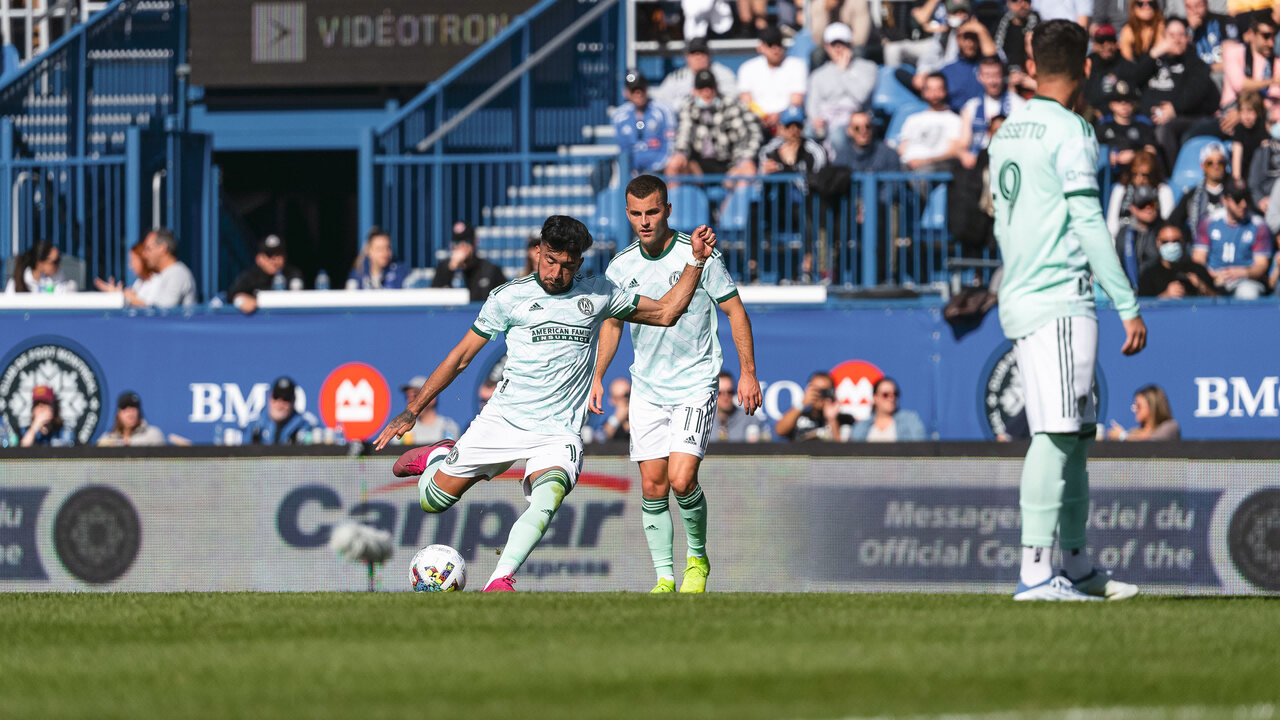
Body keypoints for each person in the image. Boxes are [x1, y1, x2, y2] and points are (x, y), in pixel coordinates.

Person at [375, 214, 719, 593]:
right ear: (538, 251)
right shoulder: (509, 298)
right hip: (503, 421)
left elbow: (668, 312)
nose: (556, 272)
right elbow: (460, 358)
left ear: (580, 264)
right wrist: (413, 410)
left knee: (548, 495)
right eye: (550, 260)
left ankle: (499, 580)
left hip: (558, 431)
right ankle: (439, 456)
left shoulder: (599, 293)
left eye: (567, 266)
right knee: (432, 501)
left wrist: (696, 261)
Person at [988, 19, 1147, 601]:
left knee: (1076, 435)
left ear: (1032, 65)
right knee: (1056, 436)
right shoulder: (1072, 131)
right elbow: (1088, 220)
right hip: (1059, 297)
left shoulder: (1006, 131)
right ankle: (1034, 573)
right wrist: (1126, 302)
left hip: (1024, 292)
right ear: (1085, 68)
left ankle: (1077, 567)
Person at [590, 174, 762, 594]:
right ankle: (665, 578)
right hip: (646, 387)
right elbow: (612, 323)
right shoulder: (621, 267)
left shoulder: (699, 255)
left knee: (681, 480)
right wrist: (597, 376)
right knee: (652, 484)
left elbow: (735, 311)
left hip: (694, 382)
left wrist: (748, 371)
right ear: (627, 214)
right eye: (636, 213)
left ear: (667, 210)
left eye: (652, 212)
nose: (645, 221)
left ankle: (697, 559)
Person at [1134, 18, 1220, 170]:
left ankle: (1173, 176)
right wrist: (1153, 54)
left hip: (1183, 119)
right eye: (1172, 35)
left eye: (1181, 35)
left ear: (1187, 38)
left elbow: (1197, 90)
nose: (1177, 40)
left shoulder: (1194, 62)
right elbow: (1132, 81)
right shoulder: (1152, 61)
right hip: (1148, 119)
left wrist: (1175, 108)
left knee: (1165, 130)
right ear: (1163, 37)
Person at [665, 70, 762, 180]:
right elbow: (683, 133)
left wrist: (743, 159)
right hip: (698, 166)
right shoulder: (688, 107)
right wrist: (681, 153)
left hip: (729, 164)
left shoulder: (731, 104)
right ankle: (672, 197)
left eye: (710, 87)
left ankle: (734, 197)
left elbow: (751, 133)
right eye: (702, 88)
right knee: (674, 164)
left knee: (748, 168)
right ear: (694, 90)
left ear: (716, 88)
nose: (707, 92)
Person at [805, 22, 877, 163]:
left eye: (842, 44)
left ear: (850, 44)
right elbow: (812, 103)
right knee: (807, 131)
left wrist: (843, 71)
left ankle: (841, 171)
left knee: (838, 136)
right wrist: (816, 119)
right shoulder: (818, 75)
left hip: (854, 119)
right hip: (826, 119)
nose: (838, 49)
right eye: (834, 44)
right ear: (826, 47)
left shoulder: (868, 68)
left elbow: (861, 97)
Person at [1193, 179, 1273, 299]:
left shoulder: (1258, 225)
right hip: (1213, 278)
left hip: (1245, 280)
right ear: (1225, 200)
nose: (1243, 204)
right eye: (1237, 199)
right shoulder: (1209, 221)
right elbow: (1199, 258)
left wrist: (1242, 273)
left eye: (1246, 198)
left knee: (1248, 293)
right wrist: (1212, 275)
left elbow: (1261, 265)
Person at [736, 24, 807, 132]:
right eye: (770, 45)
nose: (776, 49)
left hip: (787, 121)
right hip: (757, 122)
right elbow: (746, 101)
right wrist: (762, 117)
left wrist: (778, 116)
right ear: (760, 47)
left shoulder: (796, 65)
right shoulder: (747, 68)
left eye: (778, 44)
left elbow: (796, 101)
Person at [959, 57, 1027, 163]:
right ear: (980, 77)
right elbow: (963, 143)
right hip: (979, 162)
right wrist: (964, 154)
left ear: (1003, 76)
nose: (992, 81)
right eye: (987, 76)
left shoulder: (1018, 104)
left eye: (996, 75)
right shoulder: (971, 107)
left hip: (1008, 159)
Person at [611, 71, 677, 177]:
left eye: (641, 89)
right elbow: (623, 148)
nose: (638, 94)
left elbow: (669, 145)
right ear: (626, 92)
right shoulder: (619, 116)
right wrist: (631, 171)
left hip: (660, 171)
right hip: (631, 173)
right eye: (634, 90)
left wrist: (654, 169)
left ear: (646, 89)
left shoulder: (663, 110)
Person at [896, 73, 965, 174]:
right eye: (930, 89)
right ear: (923, 92)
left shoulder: (955, 120)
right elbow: (902, 149)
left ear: (945, 91)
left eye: (938, 89)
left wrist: (924, 161)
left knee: (926, 171)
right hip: (906, 166)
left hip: (933, 168)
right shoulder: (912, 119)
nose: (934, 94)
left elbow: (953, 151)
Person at [653, 37, 739, 112]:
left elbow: (733, 99)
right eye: (694, 53)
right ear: (687, 57)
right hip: (684, 121)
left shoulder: (723, 74)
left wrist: (708, 98)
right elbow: (661, 103)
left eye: (702, 53)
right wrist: (691, 101)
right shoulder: (676, 77)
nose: (698, 57)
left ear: (709, 55)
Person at [430, 222, 509, 303]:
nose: (461, 247)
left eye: (466, 242)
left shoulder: (491, 270)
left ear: (475, 242)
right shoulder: (444, 268)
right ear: (452, 245)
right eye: (457, 243)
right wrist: (451, 269)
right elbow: (433, 299)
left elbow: (505, 301)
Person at [1220, 14, 1280, 120]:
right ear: (1252, 34)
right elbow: (1240, 84)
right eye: (1266, 36)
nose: (1271, 43)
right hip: (1232, 110)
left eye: (1273, 36)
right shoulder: (1233, 52)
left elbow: (1276, 94)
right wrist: (1272, 81)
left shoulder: (1276, 60)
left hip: (1264, 113)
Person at [1105, 150, 1175, 238]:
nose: (1139, 180)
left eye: (1144, 175)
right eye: (1135, 174)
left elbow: (1168, 222)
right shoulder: (1120, 189)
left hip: (1154, 241)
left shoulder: (1163, 190)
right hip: (1125, 241)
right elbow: (1112, 225)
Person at [1137, 223, 1219, 296]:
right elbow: (1144, 307)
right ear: (1158, 243)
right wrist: (1166, 295)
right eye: (1166, 242)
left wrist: (1202, 287)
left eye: (1175, 241)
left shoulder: (1198, 270)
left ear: (1183, 241)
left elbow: (1220, 302)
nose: (1171, 245)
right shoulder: (1149, 275)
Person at [229, 234, 303, 314]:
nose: (274, 260)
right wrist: (240, 300)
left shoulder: (293, 274)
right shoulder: (250, 276)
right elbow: (231, 295)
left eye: (278, 254)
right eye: (269, 255)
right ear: (259, 259)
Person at [1168, 140, 1228, 237]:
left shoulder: (1233, 194)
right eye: (1210, 163)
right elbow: (1173, 222)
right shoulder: (1192, 195)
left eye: (1220, 162)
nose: (1215, 166)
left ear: (1226, 164)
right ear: (1203, 166)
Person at [1096, 80, 1158, 172]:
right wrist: (1115, 158)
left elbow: (1151, 150)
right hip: (1109, 175)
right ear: (1111, 104)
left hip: (1136, 174)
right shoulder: (1103, 126)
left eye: (1128, 101)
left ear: (1134, 103)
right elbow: (1094, 151)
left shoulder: (1143, 124)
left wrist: (1134, 157)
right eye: (1119, 101)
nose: (1124, 105)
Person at [1115, 186, 1166, 286]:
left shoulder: (1166, 230)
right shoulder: (1124, 233)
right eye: (1142, 205)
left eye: (1152, 204)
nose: (1148, 208)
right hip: (1131, 288)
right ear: (1132, 208)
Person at [848, 377, 927, 441]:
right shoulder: (861, 426)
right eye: (885, 395)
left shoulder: (910, 420)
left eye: (895, 394)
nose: (891, 398)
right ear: (875, 398)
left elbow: (920, 449)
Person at [244, 376, 317, 445]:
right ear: (269, 397)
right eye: (276, 396)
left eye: (286, 398)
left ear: (293, 401)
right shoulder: (253, 424)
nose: (280, 403)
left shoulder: (305, 425)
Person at [1083, 24, 1139, 112]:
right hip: (1092, 115)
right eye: (1101, 42)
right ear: (1094, 45)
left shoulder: (1127, 66)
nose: (1107, 46)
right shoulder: (1087, 65)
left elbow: (1132, 97)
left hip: (1119, 116)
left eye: (1110, 41)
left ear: (1117, 44)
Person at [775, 371, 841, 441]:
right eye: (816, 390)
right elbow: (780, 431)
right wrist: (802, 404)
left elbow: (841, 448)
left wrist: (832, 419)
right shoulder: (798, 415)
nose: (820, 395)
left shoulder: (842, 418)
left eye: (825, 391)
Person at [398, 376, 460, 445]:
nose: (409, 400)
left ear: (432, 398)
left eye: (415, 396)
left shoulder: (448, 427)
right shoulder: (403, 430)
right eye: (407, 397)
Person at [1107, 384, 1181, 440]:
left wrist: (1122, 436)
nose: (1134, 409)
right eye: (1134, 405)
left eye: (1139, 406)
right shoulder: (1133, 432)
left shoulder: (1171, 427)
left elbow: (1152, 444)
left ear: (1152, 406)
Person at [710, 370, 767, 441]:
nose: (725, 397)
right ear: (714, 394)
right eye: (720, 393)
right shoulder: (706, 421)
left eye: (729, 392)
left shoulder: (750, 420)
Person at [96, 391, 166, 447]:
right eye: (125, 409)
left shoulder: (152, 435)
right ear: (118, 413)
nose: (130, 413)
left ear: (139, 412)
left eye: (133, 408)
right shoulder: (107, 439)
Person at [838, 111, 902, 171]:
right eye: (857, 128)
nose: (863, 131)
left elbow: (894, 182)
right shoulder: (842, 156)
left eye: (867, 127)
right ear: (849, 131)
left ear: (873, 128)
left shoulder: (889, 154)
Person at [1185, 0, 1236, 73]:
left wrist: (1209, 68)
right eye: (1189, 7)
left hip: (1224, 74)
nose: (1194, 11)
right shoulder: (1182, 28)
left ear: (1206, 4)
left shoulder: (1223, 22)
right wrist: (1190, 30)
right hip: (1198, 77)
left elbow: (1234, 59)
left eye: (1198, 5)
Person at [5, 241, 74, 294]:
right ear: (39, 264)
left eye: (59, 259)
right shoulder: (15, 283)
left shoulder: (57, 276)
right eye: (55, 262)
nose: (59, 264)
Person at [1231, 89, 1267, 182]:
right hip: (1245, 172)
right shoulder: (1239, 129)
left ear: (1257, 111)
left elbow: (1265, 155)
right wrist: (1237, 179)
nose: (1246, 117)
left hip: (1260, 172)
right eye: (1243, 112)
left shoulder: (1262, 126)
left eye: (1250, 112)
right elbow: (1237, 157)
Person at [993, 0, 1039, 71]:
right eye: (1015, 0)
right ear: (1008, 3)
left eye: (1027, 0)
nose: (1022, 4)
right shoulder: (998, 26)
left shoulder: (1039, 27)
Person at [601, 378, 632, 442]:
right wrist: (619, 417)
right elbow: (606, 433)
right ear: (612, 400)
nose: (625, 400)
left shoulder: (642, 419)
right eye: (620, 397)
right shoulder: (610, 423)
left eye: (628, 395)